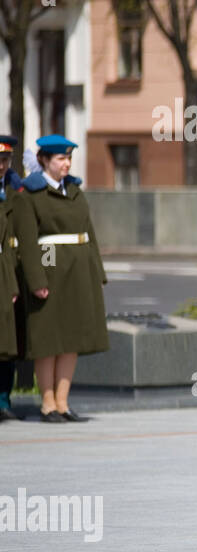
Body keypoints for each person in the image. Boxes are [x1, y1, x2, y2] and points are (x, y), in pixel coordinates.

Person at [10, 135, 109, 422]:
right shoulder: (31, 196)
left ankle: (63, 402)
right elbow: (29, 242)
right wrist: (37, 279)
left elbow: (88, 233)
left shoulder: (75, 191)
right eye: (60, 159)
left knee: (71, 340)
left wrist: (96, 272)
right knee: (48, 341)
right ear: (44, 161)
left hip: (78, 272)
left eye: (68, 159)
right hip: (50, 271)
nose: (66, 164)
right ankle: (47, 402)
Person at [0, 136, 23, 421]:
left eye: (5, 161)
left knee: (8, 339)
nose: (2, 166)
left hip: (8, 270)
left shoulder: (17, 192)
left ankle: (4, 399)